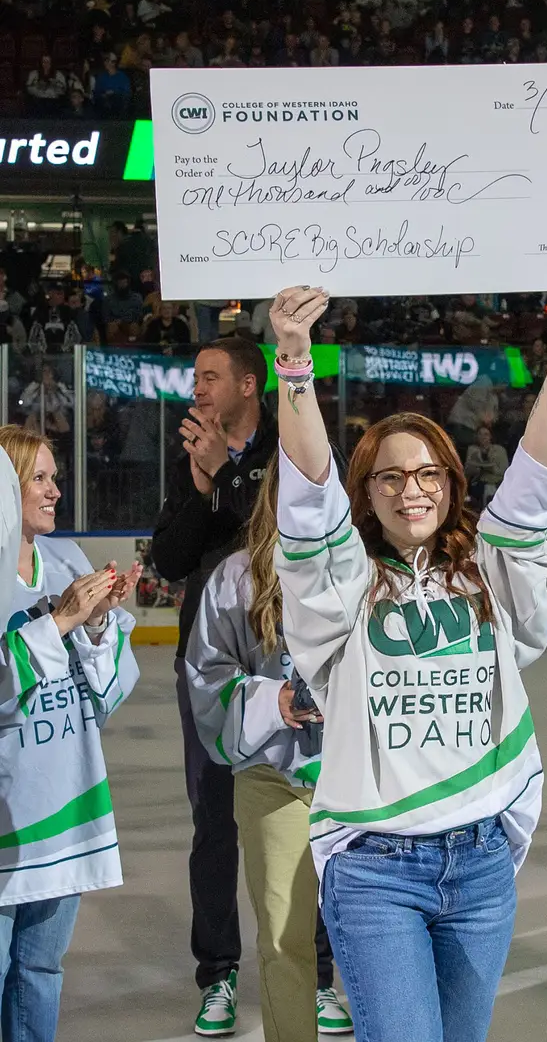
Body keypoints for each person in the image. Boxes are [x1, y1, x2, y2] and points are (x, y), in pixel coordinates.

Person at [268, 271, 547, 1042]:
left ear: (452, 486)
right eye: (389, 476)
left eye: (428, 474)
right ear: (366, 492)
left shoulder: (490, 570)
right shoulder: (341, 588)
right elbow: (308, 499)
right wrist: (294, 363)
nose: (411, 490)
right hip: (375, 871)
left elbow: (531, 470)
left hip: (483, 862)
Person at [150, 338, 307, 1037]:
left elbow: (291, 534)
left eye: (211, 376)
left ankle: (319, 971)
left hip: (297, 667)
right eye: (195, 377)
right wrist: (206, 482)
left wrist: (235, 469)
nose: (199, 387)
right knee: (215, 824)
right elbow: (171, 557)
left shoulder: (291, 443)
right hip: (213, 671)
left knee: (312, 818)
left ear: (250, 382)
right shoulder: (197, 458)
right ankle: (218, 974)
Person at [186, 457, 353, 1040]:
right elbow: (207, 677)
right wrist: (275, 701)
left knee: (377, 936)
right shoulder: (236, 578)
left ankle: (336, 991)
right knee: (284, 937)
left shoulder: (365, 572)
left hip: (362, 779)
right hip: (275, 780)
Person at [0, 424, 142, 1042]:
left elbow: (104, 697)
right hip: (7, 816)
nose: (56, 490)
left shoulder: (65, 559)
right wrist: (60, 621)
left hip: (64, 807)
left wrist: (97, 626)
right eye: (40, 478)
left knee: (39, 968)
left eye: (55, 476)